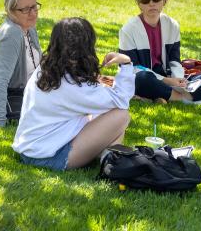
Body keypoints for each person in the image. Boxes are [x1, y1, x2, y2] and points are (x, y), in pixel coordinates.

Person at [13, 17, 134, 171]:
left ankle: (110, 157)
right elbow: (121, 100)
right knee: (120, 115)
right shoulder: (71, 85)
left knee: (104, 113)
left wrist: (106, 81)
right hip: (50, 157)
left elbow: (92, 88)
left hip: (32, 149)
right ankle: (110, 160)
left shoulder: (47, 68)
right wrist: (126, 64)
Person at [117, 0, 201, 104]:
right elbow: (131, 68)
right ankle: (185, 100)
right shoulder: (128, 30)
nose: (151, 4)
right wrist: (166, 81)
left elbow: (174, 60)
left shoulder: (172, 25)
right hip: (144, 78)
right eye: (145, 0)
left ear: (164, 0)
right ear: (139, 4)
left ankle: (164, 96)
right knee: (142, 78)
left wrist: (179, 80)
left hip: (168, 79)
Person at [0, 0, 42, 127]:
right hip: (14, 99)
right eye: (26, 9)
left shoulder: (29, 27)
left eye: (34, 7)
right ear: (11, 11)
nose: (33, 13)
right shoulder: (11, 34)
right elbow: (0, 80)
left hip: (30, 94)